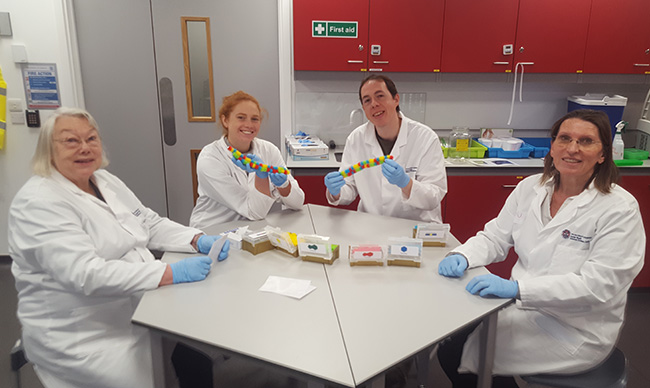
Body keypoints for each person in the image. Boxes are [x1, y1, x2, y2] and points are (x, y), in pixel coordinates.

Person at [8, 107, 230, 388]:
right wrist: (169, 273)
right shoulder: (39, 202)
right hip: (83, 332)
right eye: (71, 141)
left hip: (138, 305)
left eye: (91, 139)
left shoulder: (104, 180)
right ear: (47, 150)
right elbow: (86, 274)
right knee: (144, 378)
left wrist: (196, 239)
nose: (85, 148)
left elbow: (147, 222)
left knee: (195, 356)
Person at [437, 109, 645, 387]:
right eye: (565, 139)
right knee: (453, 341)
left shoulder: (619, 208)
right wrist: (462, 254)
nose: (572, 149)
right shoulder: (532, 188)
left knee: (461, 353)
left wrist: (519, 290)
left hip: (575, 329)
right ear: (553, 146)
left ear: (603, 154)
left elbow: (599, 286)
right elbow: (496, 237)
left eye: (586, 141)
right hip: (521, 308)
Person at [324, 74, 447, 223]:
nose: (374, 104)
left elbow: (434, 196)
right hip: (372, 226)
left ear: (396, 99)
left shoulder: (425, 138)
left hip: (416, 229)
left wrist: (406, 183)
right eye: (367, 100)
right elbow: (349, 188)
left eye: (380, 96)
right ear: (363, 108)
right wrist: (336, 191)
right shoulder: (356, 139)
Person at [190, 91, 305, 229]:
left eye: (255, 119)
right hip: (213, 231)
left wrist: (284, 185)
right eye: (241, 117)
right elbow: (254, 212)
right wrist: (261, 174)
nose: (249, 124)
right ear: (225, 120)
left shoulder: (269, 150)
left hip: (251, 230)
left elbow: (298, 203)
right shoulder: (210, 158)